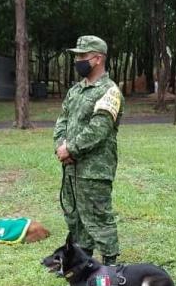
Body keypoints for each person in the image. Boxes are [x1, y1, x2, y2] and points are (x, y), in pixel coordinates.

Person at [53, 35, 124, 265]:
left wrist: (71, 148)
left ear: (97, 59)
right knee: (75, 217)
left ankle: (111, 265)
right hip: (72, 166)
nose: (78, 61)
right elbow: (62, 119)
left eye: (83, 56)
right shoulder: (76, 90)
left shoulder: (109, 91)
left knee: (98, 216)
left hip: (95, 168)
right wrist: (60, 145)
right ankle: (82, 261)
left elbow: (99, 129)